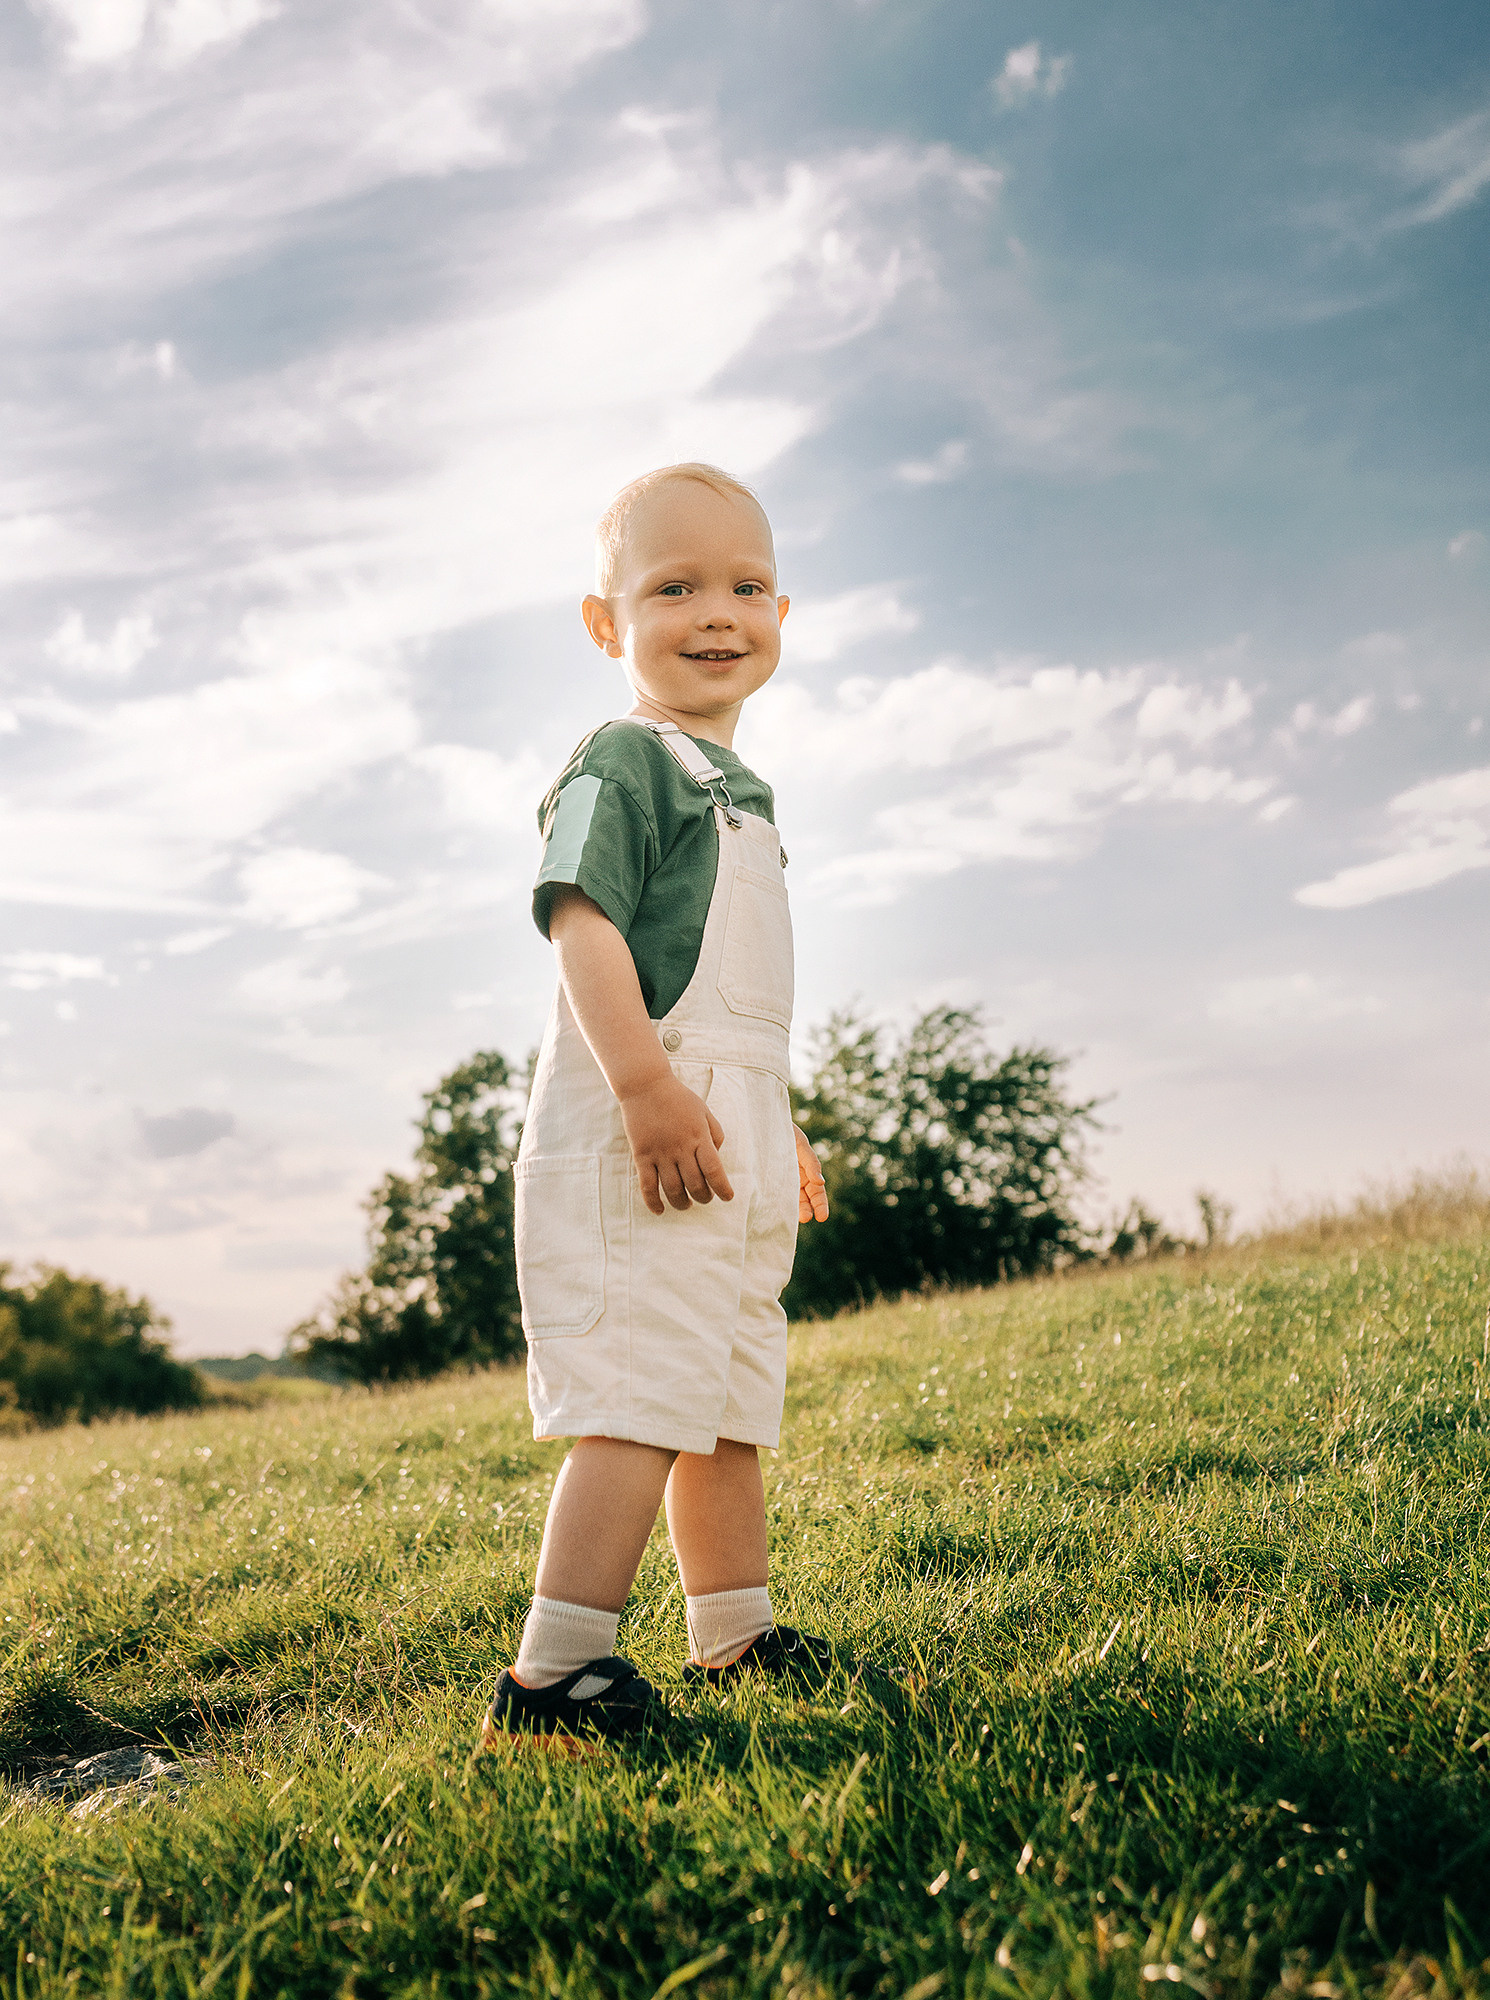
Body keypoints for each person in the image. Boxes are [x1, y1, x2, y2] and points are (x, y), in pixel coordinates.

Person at [479, 462, 832, 1749]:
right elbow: (581, 923)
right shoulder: (624, 758)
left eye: (744, 585)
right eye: (672, 587)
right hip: (642, 1130)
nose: (715, 612)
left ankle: (732, 1629)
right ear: (606, 622)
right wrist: (645, 1087)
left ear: (780, 614)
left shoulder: (740, 789)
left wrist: (774, 1121)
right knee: (637, 1390)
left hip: (723, 1133)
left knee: (724, 1393)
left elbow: (728, 998)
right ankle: (553, 1673)